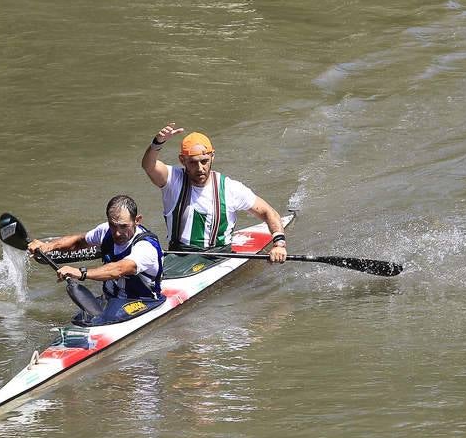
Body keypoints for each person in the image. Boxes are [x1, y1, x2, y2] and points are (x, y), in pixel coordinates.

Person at [141, 122, 287, 263]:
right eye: (193, 162)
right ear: (182, 160)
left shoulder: (231, 188)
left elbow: (269, 212)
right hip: (179, 256)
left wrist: (279, 244)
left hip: (219, 257)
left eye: (204, 161)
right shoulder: (172, 180)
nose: (200, 168)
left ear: (212, 157)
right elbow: (148, 165)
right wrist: (157, 143)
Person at [27, 195, 164, 325]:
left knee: (101, 319)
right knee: (80, 319)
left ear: (137, 220)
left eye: (123, 226)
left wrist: (81, 273)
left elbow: (118, 269)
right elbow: (79, 241)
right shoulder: (105, 231)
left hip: (141, 301)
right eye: (113, 225)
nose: (117, 233)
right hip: (110, 299)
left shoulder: (146, 247)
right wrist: (48, 247)